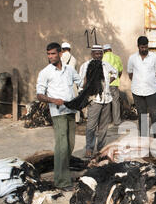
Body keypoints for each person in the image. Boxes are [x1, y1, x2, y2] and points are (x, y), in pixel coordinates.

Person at [36, 42, 82, 191]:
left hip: (70, 111)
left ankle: (64, 173)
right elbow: (39, 95)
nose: (50, 57)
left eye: (53, 54)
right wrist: (53, 100)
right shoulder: (45, 72)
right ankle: (61, 181)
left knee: (70, 144)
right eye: (48, 54)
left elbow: (80, 82)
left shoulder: (69, 70)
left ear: (60, 54)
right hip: (58, 113)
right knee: (62, 146)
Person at [82, 45, 118, 158]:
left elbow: (115, 73)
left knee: (103, 126)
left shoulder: (105, 65)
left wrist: (107, 83)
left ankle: (101, 148)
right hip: (94, 100)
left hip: (106, 100)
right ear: (92, 54)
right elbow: (81, 81)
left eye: (100, 53)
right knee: (91, 126)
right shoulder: (86, 65)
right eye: (96, 53)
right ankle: (89, 148)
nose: (98, 55)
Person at [127, 36, 156, 138]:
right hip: (137, 91)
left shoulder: (155, 57)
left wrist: (147, 80)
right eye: (142, 47)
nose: (144, 49)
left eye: (146, 47)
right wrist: (139, 82)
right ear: (138, 46)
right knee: (142, 116)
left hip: (151, 91)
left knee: (155, 115)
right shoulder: (132, 58)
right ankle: (143, 140)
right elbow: (130, 74)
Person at [103, 44, 124, 126]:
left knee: (106, 101)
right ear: (110, 49)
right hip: (114, 82)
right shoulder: (117, 57)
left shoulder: (102, 57)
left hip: (105, 82)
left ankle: (107, 120)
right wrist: (117, 78)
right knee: (115, 102)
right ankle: (117, 121)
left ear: (104, 51)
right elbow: (120, 71)